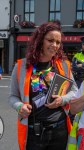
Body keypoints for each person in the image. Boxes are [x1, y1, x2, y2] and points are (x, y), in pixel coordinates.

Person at [9, 21, 78, 150]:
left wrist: (62, 100)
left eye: (58, 42)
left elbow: (74, 90)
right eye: (50, 40)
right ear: (40, 41)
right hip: (34, 132)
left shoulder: (63, 65)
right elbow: (12, 96)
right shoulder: (21, 67)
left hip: (59, 129)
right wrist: (20, 106)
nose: (55, 45)